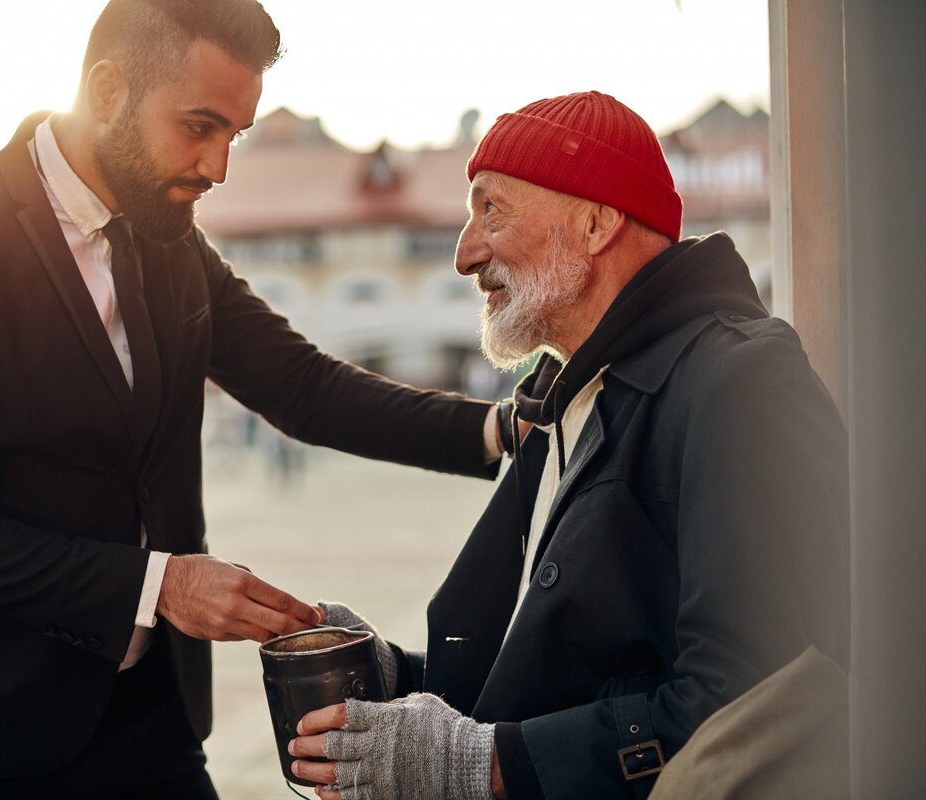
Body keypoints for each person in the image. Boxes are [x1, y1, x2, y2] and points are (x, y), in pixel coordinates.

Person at [0, 2, 508, 797]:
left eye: (236, 135)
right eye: (199, 126)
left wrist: (502, 429)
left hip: (148, 727)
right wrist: (159, 585)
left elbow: (304, 386)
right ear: (109, 89)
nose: (218, 166)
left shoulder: (170, 241)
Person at [289, 91, 848, 799]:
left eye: (491, 209)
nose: (464, 253)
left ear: (595, 223)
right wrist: (391, 676)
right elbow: (543, 677)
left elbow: (754, 700)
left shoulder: (738, 380)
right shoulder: (565, 395)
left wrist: (481, 766)